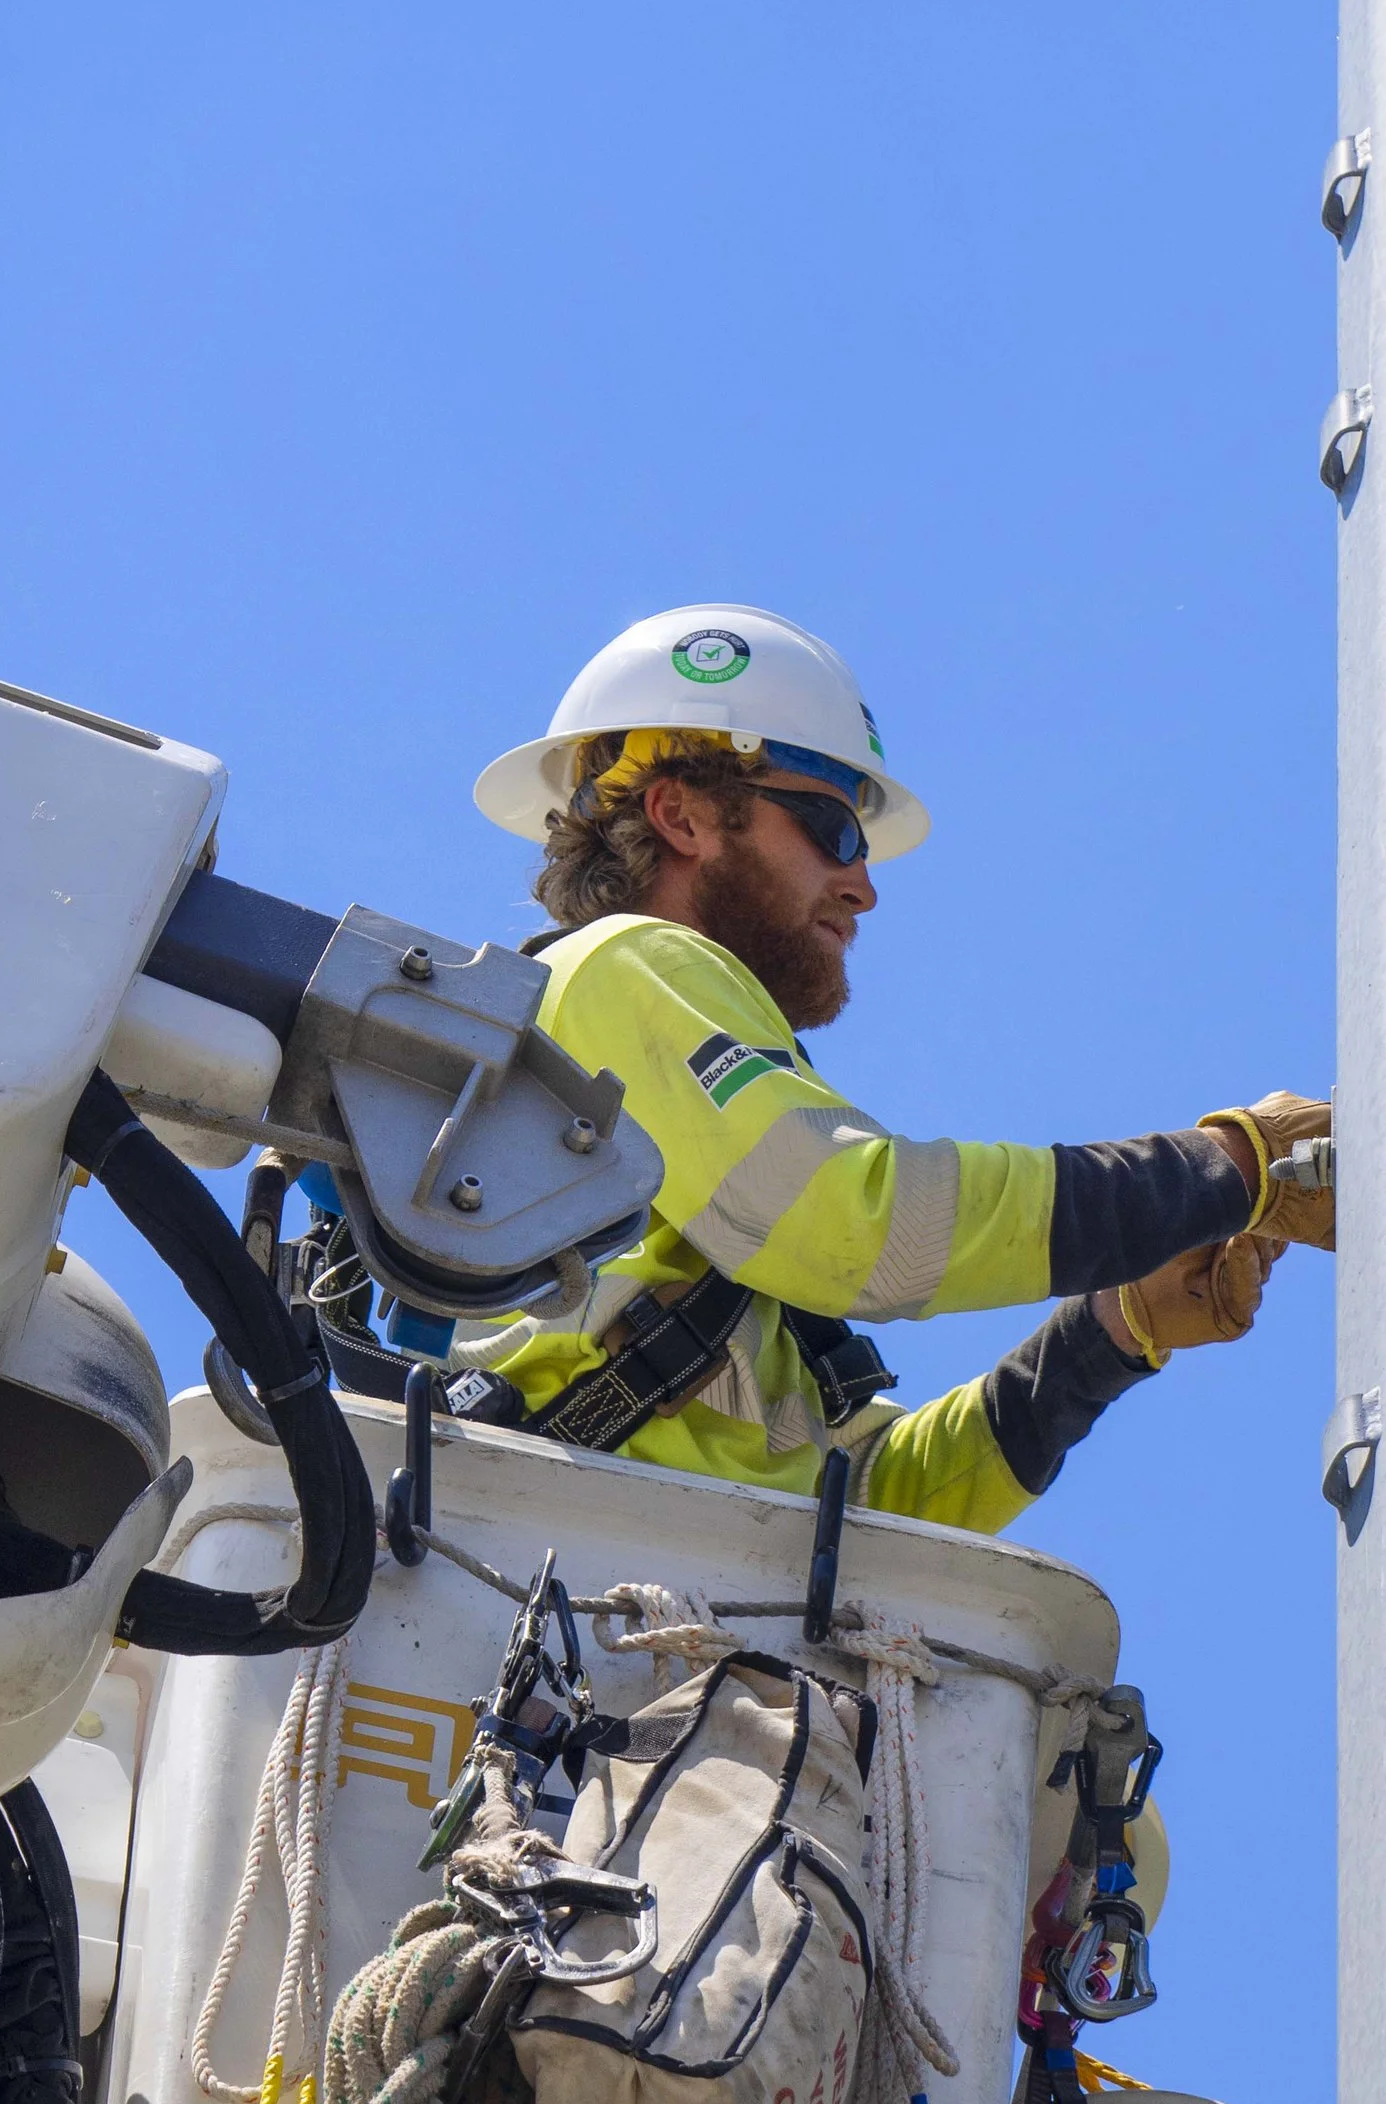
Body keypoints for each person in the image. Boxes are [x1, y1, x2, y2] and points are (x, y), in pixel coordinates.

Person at [464, 605, 1330, 1535]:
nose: (863, 885)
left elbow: (881, 1501)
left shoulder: (698, 1167)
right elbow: (859, 1224)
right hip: (564, 1582)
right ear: (682, 815)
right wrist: (1233, 1171)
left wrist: (1116, 1330)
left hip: (652, 1600)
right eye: (831, 829)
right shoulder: (619, 962)